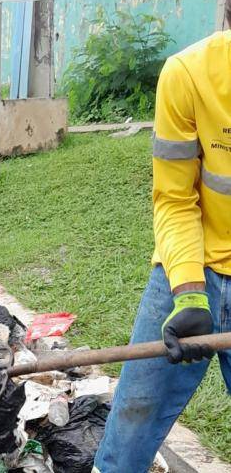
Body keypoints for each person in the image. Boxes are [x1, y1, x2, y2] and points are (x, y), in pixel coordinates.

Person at [94, 28, 231, 471]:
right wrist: (190, 293)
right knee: (130, 429)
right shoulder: (189, 74)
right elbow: (175, 199)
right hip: (192, 268)